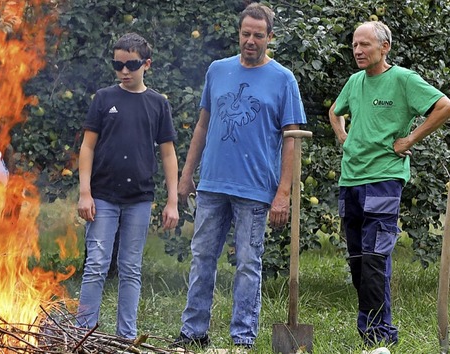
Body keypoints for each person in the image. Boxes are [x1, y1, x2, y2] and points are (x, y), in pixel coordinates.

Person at [172, 3, 306, 351]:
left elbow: (292, 138)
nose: (250, 40)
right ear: (239, 33)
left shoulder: (283, 79)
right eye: (245, 33)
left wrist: (283, 193)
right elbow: (203, 124)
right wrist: (187, 176)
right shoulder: (217, 70)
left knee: (248, 264)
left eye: (258, 35)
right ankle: (193, 332)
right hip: (213, 184)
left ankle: (242, 339)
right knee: (202, 258)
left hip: (255, 189)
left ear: (269, 38)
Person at [329, 21, 450, 347]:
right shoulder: (354, 82)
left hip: (384, 179)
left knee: (374, 258)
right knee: (357, 262)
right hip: (350, 180)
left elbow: (444, 106)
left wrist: (410, 137)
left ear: (385, 48)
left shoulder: (403, 80)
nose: (357, 50)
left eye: (365, 44)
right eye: (355, 44)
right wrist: (342, 135)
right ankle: (374, 330)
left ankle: (379, 336)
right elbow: (334, 111)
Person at [76, 32, 179, 339]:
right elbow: (87, 147)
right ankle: (84, 334)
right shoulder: (103, 99)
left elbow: (168, 153)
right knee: (96, 264)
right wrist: (85, 192)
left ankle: (126, 337)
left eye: (130, 65)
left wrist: (172, 200)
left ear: (146, 64)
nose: (123, 71)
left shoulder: (158, 104)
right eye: (117, 65)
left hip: (139, 199)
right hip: (103, 195)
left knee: (131, 268)